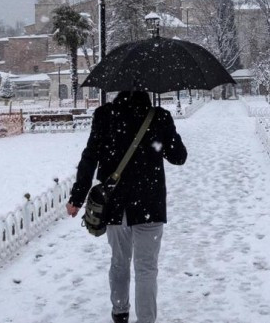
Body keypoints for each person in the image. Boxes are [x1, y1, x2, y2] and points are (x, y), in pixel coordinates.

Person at [67, 91, 187, 323]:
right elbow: (179, 156)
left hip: (115, 204)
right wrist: (162, 136)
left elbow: (89, 157)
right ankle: (146, 319)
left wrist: (77, 197)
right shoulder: (159, 117)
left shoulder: (105, 115)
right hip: (149, 204)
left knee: (119, 261)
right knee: (146, 269)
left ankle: (120, 312)